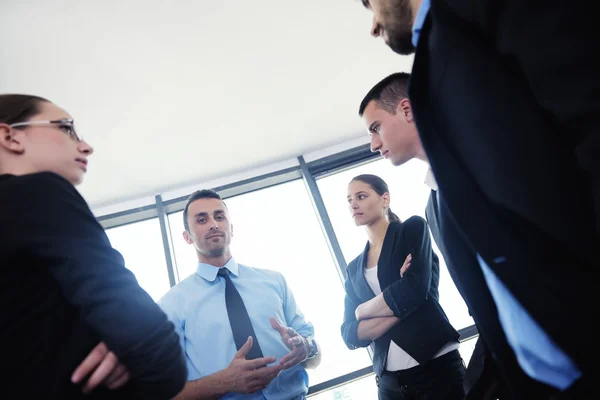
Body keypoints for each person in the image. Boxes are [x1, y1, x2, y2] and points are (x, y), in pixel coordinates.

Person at [356, 1, 598, 398]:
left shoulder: (473, 26)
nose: (373, 24)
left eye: (370, 3)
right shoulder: (435, 199)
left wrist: (366, 310)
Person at [358, 72, 547, 399]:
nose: (374, 144)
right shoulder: (433, 205)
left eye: (376, 128)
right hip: (516, 358)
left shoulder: (486, 155)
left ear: (406, 110)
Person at [0, 94, 187, 399]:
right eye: (66, 129)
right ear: (10, 136)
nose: (86, 146)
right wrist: (131, 347)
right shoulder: (40, 191)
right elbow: (160, 357)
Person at [158, 189, 321, 400]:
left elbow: (315, 355)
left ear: (231, 229)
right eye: (201, 219)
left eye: (219, 216)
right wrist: (224, 382)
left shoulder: (274, 281)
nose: (213, 224)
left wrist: (306, 348)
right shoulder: (171, 305)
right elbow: (164, 393)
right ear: (187, 237)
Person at [341, 173, 464, 399]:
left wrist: (363, 311)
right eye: (349, 200)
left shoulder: (412, 229)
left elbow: (415, 290)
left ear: (384, 199)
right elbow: (349, 333)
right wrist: (404, 302)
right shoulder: (353, 269)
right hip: (389, 384)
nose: (353, 204)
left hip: (436, 369)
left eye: (361, 196)